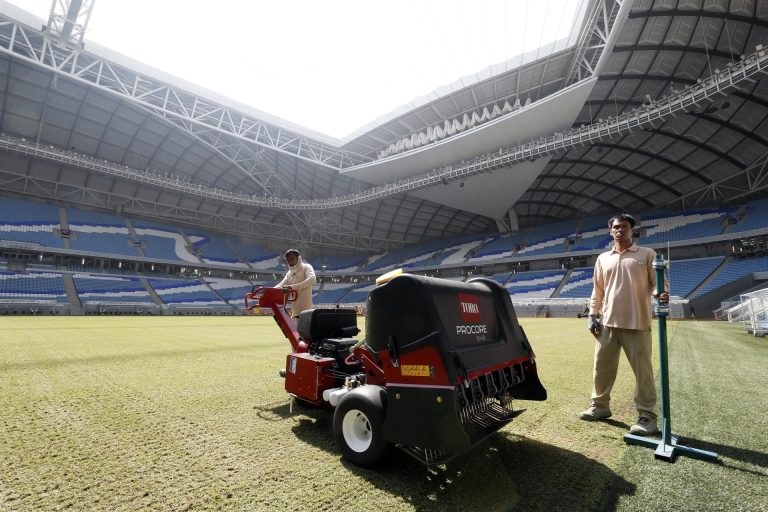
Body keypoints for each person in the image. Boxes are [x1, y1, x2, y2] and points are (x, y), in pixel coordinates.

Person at [580, 213, 669, 436]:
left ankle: (647, 417)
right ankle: (600, 406)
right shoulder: (603, 258)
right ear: (611, 232)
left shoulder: (646, 254)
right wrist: (593, 314)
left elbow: (658, 283)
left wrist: (661, 293)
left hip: (637, 322)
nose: (620, 230)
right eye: (616, 227)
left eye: (625, 227)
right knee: (601, 368)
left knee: (643, 372)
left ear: (632, 230)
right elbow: (597, 290)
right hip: (607, 323)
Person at [276, 249, 316, 322]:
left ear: (298, 258)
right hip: (294, 313)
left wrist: (292, 287)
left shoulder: (306, 267)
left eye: (292, 259)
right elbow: (281, 285)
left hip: (306, 313)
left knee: (305, 333)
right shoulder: (289, 273)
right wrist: (268, 290)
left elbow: (312, 279)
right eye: (288, 260)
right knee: (295, 333)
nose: (290, 262)